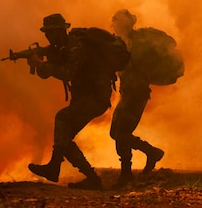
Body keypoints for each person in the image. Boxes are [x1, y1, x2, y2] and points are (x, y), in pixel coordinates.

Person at [26, 13, 128, 190]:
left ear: (61, 31)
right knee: (63, 137)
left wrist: (42, 65)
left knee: (62, 118)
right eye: (46, 34)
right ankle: (92, 179)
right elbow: (48, 73)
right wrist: (38, 64)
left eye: (51, 33)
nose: (48, 37)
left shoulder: (76, 46)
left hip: (96, 97)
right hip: (85, 96)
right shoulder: (63, 48)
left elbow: (67, 73)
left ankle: (54, 167)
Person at [109, 9, 166, 188]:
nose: (114, 24)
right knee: (115, 133)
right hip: (127, 91)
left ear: (126, 23)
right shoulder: (118, 42)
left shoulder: (138, 41)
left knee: (121, 133)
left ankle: (127, 173)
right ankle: (151, 152)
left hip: (137, 92)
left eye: (117, 21)